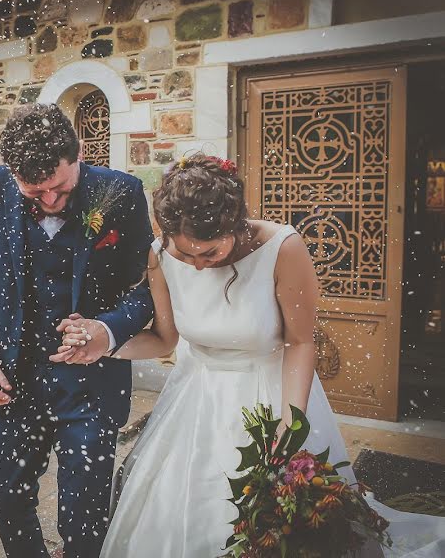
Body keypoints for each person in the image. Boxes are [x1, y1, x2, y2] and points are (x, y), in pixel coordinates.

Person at [94, 153, 445, 557]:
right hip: (195, 400)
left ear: (234, 224)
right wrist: (105, 345)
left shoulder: (283, 247)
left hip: (272, 395)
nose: (197, 265)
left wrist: (290, 424)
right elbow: (165, 340)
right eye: (185, 255)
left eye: (209, 254)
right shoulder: (160, 255)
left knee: (274, 526)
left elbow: (300, 342)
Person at [0, 103, 154, 558]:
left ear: (78, 153)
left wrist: (108, 328)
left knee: (85, 519)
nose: (49, 202)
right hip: (11, 380)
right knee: (7, 502)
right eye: (33, 192)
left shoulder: (121, 192)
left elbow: (147, 291)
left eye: (58, 188)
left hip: (92, 387)